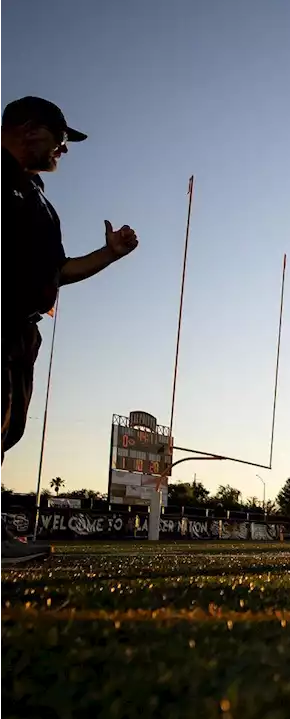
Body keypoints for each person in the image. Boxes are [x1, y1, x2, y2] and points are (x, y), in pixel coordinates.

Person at [1, 97, 138, 564]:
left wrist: (109, 255)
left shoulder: (36, 194)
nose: (64, 150)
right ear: (32, 131)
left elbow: (55, 271)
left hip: (20, 329)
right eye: (61, 140)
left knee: (6, 429)